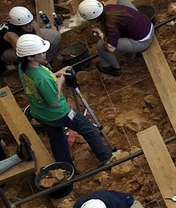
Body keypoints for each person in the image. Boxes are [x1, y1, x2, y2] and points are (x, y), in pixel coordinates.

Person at [16, 33, 116, 167]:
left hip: (40, 113)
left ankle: (65, 167)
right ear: (30, 57)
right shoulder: (43, 78)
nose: (44, 53)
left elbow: (40, 82)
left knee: (57, 138)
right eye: (41, 52)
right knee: (87, 128)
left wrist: (56, 74)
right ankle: (106, 158)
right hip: (58, 113)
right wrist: (60, 80)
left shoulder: (23, 68)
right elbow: (54, 102)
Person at [79, 0, 153, 77]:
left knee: (101, 45)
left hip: (143, 40)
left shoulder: (110, 24)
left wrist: (100, 32)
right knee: (121, 0)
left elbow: (111, 48)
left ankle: (113, 68)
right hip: (148, 24)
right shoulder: (109, 8)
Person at [0, 6, 61, 77]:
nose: (31, 26)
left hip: (25, 38)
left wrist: (43, 56)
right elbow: (24, 54)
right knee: (29, 58)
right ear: (18, 26)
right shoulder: (10, 34)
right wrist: (44, 62)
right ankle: (37, 70)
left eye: (31, 22)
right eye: (26, 25)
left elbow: (40, 39)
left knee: (55, 36)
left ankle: (43, 63)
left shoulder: (27, 20)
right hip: (9, 49)